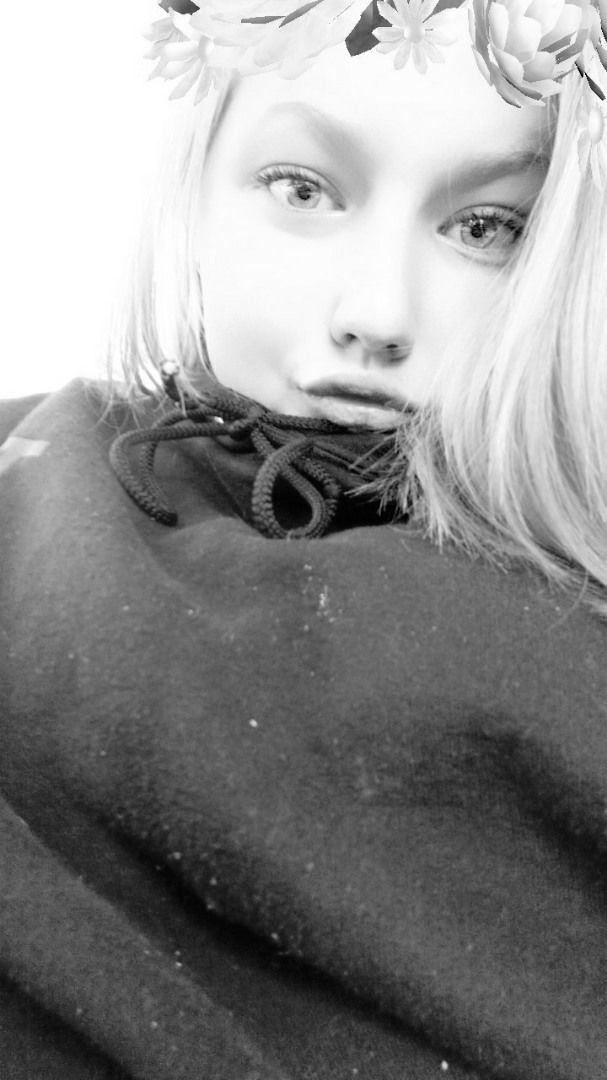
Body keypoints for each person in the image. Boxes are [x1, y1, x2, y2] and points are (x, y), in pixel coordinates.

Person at [1, 2, 606, 1079]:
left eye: (484, 227)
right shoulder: (30, 476)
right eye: (302, 189)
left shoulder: (575, 633)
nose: (378, 311)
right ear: (194, 187)